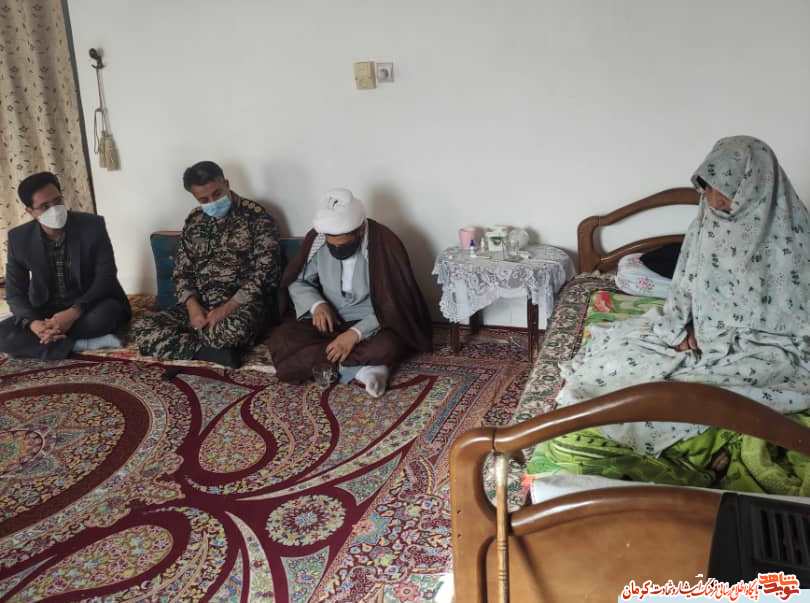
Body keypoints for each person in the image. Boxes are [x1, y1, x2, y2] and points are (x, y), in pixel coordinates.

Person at [531, 136, 810, 493]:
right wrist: (679, 328)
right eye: (707, 189)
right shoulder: (707, 222)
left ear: (756, 184)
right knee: (613, 371)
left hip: (771, 348)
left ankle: (703, 452)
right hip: (704, 337)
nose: (714, 200)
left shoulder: (794, 235)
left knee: (724, 391)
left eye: (724, 188)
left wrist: (750, 337)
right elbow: (685, 285)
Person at [269, 188, 432, 397]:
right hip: (331, 322)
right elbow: (298, 281)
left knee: (388, 346)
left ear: (359, 230)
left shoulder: (385, 243)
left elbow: (396, 303)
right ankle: (363, 370)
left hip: (373, 323)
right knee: (281, 339)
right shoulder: (317, 241)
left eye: (343, 244)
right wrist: (317, 305)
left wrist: (355, 334)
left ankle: (328, 363)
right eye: (332, 245)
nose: (337, 250)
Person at [131, 161, 280, 368]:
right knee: (142, 328)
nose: (212, 202)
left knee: (232, 330)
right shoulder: (195, 220)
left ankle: (193, 344)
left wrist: (226, 309)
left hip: (243, 305)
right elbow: (181, 271)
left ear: (226, 183)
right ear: (195, 197)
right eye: (204, 199)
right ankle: (211, 352)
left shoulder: (256, 217)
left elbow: (266, 273)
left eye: (217, 194)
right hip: (201, 305)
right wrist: (193, 307)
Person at [0, 171, 131, 360]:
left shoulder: (92, 225)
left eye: (57, 201)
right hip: (46, 309)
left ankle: (48, 342)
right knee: (3, 335)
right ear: (30, 211)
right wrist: (35, 324)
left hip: (89, 305)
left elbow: (106, 276)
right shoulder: (18, 238)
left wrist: (74, 312)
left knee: (107, 315)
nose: (54, 209)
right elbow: (15, 293)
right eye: (45, 206)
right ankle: (80, 344)